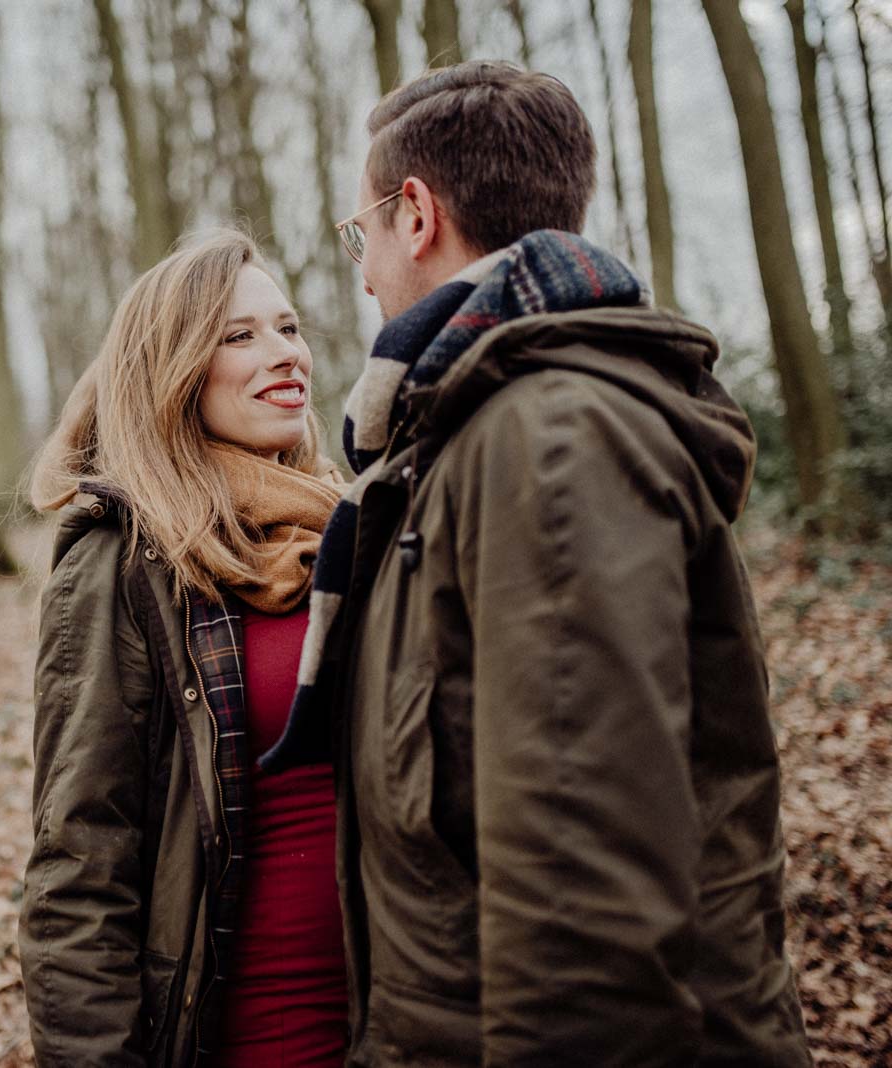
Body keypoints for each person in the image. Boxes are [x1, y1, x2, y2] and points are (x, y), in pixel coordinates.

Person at [260, 61, 813, 1066]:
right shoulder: (464, 436)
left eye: (361, 233)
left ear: (414, 214)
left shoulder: (548, 438)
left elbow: (578, 889)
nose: (363, 267)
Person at [19, 229, 351, 1066]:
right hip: (251, 1036)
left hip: (401, 1025)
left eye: (288, 327)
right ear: (170, 373)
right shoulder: (123, 563)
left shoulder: (355, 529)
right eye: (238, 336)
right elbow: (79, 868)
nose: (283, 354)